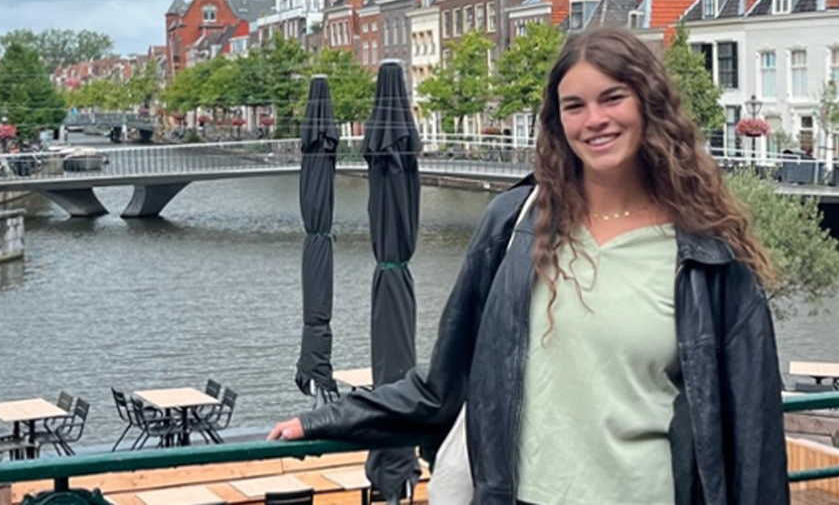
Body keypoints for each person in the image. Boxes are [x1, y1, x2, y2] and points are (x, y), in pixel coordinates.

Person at [268, 28, 789, 505]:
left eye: (613, 98)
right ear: (557, 121)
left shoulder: (707, 253)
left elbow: (754, 434)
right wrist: (324, 420)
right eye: (574, 105)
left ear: (649, 106)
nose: (595, 120)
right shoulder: (515, 226)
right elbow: (447, 381)